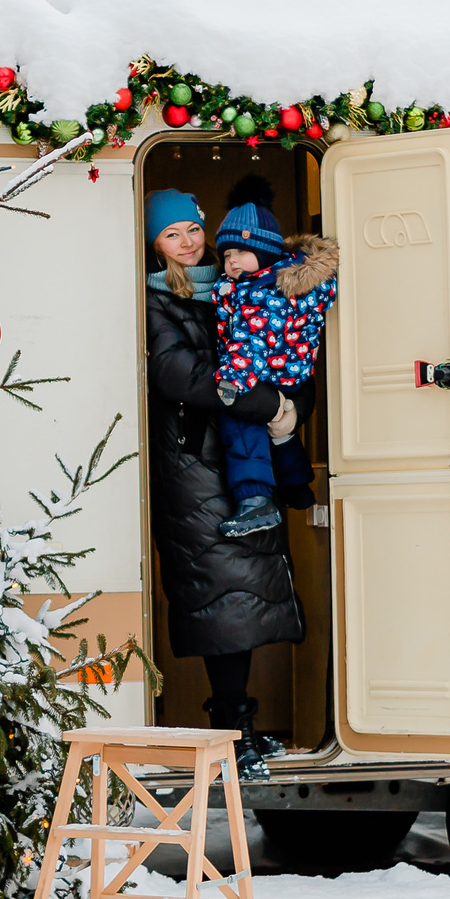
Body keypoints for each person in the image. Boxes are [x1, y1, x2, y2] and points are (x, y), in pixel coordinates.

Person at [145, 186, 303, 778]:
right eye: (172, 235)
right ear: (155, 246)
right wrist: (266, 402)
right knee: (224, 600)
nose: (188, 243)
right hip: (194, 467)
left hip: (242, 461)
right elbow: (176, 373)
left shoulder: (238, 284)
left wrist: (293, 407)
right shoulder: (155, 299)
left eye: (193, 229)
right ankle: (234, 733)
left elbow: (282, 351)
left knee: (243, 597)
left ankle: (241, 730)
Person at [208, 175, 337, 537]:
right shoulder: (282, 282)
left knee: (241, 421)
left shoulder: (261, 293)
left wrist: (233, 380)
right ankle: (297, 488)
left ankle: (256, 500)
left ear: (264, 252)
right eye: (227, 255)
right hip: (289, 372)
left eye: (241, 252)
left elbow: (251, 342)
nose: (232, 261)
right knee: (279, 430)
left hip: (266, 370)